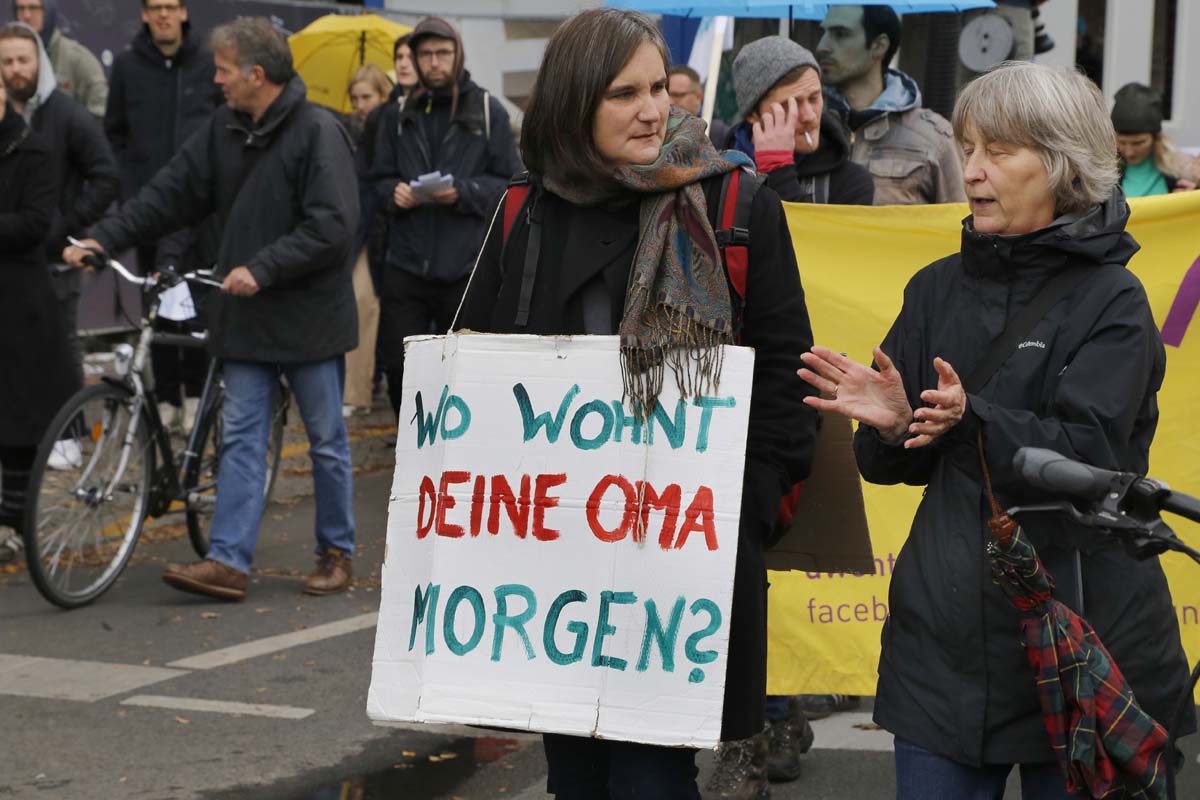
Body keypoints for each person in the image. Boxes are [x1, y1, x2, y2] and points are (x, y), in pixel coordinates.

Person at [798, 61, 1195, 798]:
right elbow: (894, 467)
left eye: (999, 151)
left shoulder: (1115, 300)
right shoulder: (935, 287)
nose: (973, 171)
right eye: (969, 148)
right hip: (942, 652)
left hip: (1083, 637)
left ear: (1063, 164)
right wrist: (891, 428)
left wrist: (966, 418)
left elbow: (1091, 456)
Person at [455, 9, 818, 798]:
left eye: (659, 87)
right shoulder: (524, 212)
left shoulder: (737, 206)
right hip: (556, 566)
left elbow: (788, 377)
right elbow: (475, 376)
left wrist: (741, 513)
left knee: (651, 778)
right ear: (573, 103)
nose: (654, 109)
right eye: (625, 93)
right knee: (576, 779)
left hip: (688, 561)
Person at [63, 17, 360, 601]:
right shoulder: (221, 129)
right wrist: (104, 238)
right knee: (243, 438)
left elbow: (332, 225)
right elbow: (166, 196)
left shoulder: (317, 132)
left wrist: (265, 267)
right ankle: (228, 560)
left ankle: (335, 550)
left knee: (325, 439)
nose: (216, 80)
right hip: (244, 315)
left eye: (224, 70)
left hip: (308, 316)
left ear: (256, 74)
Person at [719, 33, 874, 791]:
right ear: (756, 108)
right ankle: (771, 709)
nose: (810, 113)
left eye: (815, 98)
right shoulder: (725, 180)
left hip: (837, 390)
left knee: (809, 555)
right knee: (755, 569)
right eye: (792, 101)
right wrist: (766, 176)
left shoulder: (850, 177)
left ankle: (793, 698)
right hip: (766, 397)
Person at [370, 16, 520, 419]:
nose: (435, 62)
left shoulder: (488, 110)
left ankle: (455, 455)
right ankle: (412, 450)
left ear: (457, 55)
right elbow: (375, 179)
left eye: (443, 53)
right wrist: (392, 192)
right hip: (406, 263)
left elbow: (511, 183)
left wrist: (463, 193)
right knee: (400, 368)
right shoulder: (396, 114)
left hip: (467, 267)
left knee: (464, 370)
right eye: (426, 55)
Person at [0, 22, 118, 470]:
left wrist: (62, 226)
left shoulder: (65, 115)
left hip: (53, 256)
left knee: (60, 349)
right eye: (7, 61)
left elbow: (107, 176)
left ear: (39, 62)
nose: (15, 70)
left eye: (23, 60)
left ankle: (68, 434)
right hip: (12, 260)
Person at [105, 0, 223, 433]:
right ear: (143, 14)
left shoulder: (208, 64)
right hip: (150, 211)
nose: (163, 14)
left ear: (184, 12)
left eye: (171, 6)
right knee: (154, 303)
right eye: (155, 7)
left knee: (193, 306)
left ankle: (196, 395)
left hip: (200, 211)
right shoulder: (126, 66)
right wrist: (130, 188)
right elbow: (113, 133)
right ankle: (167, 397)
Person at [0, 81, 79, 563]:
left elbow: (34, 225)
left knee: (19, 422)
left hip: (20, 303)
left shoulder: (34, 151)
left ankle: (14, 521)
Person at [817, 5, 964, 206]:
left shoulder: (933, 138)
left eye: (840, 34)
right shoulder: (805, 129)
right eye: (823, 32)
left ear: (879, 46)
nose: (822, 46)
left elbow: (959, 221)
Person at [730, 36, 873, 207]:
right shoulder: (718, 173)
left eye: (814, 98)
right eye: (790, 105)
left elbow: (804, 234)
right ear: (753, 114)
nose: (810, 116)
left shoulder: (850, 181)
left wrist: (778, 169)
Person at [342, 63, 391, 417]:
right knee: (362, 303)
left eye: (367, 97)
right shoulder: (355, 134)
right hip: (364, 229)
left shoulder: (390, 128)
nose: (361, 104)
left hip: (386, 227)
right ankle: (358, 390)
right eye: (356, 98)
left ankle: (365, 386)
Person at [11, 0, 105, 116]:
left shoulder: (77, 59)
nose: (26, 16)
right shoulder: (5, 59)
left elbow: (100, 112)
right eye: (21, 9)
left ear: (48, 10)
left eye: (33, 8)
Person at [1111, 82, 1198, 197]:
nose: (1129, 152)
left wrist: (1195, 193)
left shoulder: (1180, 166)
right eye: (1122, 142)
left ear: (1156, 137)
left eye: (1138, 143)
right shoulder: (1103, 169)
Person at [667, 64, 728, 149]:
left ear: (698, 97)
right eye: (666, 95)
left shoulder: (716, 132)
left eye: (677, 95)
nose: (669, 101)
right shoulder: (656, 131)